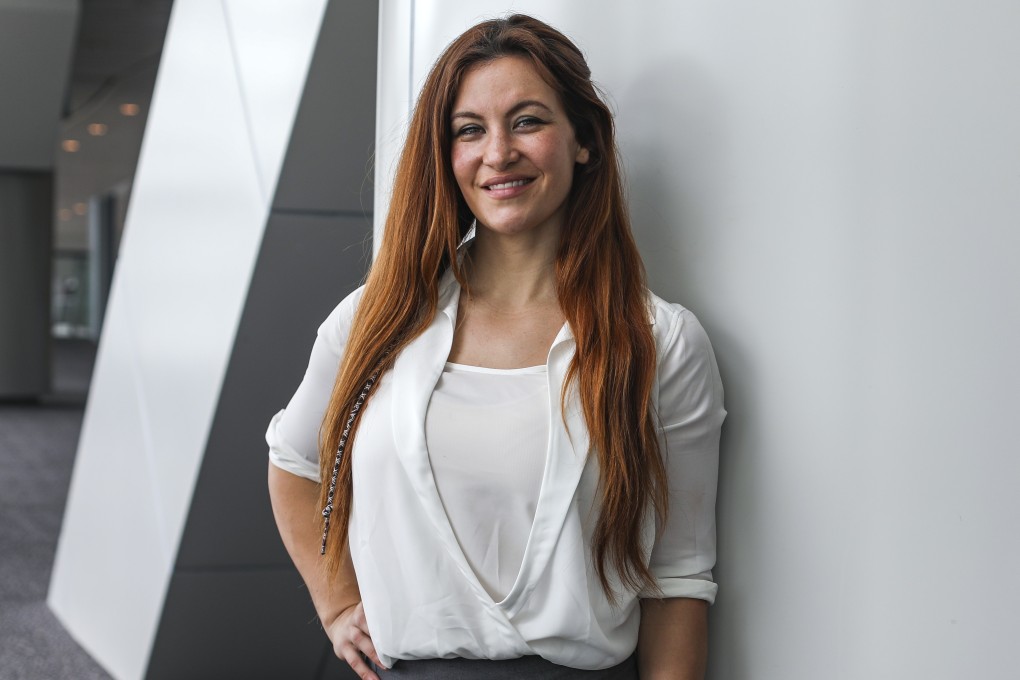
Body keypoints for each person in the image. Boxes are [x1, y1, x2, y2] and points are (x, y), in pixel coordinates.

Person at [267, 14, 725, 680]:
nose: (497, 152)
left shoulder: (659, 342)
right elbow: (293, 463)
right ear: (446, 155)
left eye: (529, 121)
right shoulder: (380, 316)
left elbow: (678, 576)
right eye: (469, 130)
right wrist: (337, 604)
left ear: (584, 141)